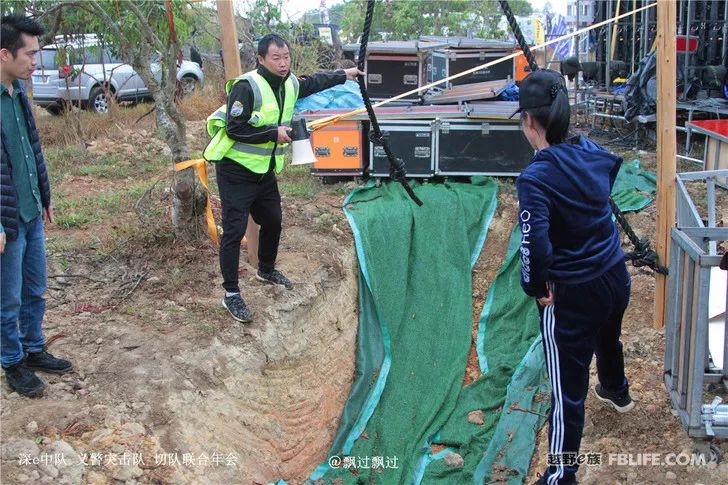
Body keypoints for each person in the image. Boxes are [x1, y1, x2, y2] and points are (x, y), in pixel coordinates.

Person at [514, 70, 633, 485]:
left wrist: (535, 287)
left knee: (566, 393)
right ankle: (617, 389)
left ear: (530, 121)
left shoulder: (536, 177)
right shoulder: (592, 151)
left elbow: (535, 247)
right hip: (615, 277)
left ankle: (560, 474)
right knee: (608, 335)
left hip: (573, 295)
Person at [204, 33, 363, 323]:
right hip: (235, 169)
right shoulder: (246, 86)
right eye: (276, 58)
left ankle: (266, 269)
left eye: (286, 56)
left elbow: (314, 82)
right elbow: (234, 129)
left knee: (274, 220)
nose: (282, 63)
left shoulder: (289, 83)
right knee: (234, 229)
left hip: (264, 170)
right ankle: (231, 294)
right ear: (261, 59)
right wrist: (271, 133)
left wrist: (344, 74)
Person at [1, 14, 73, 398]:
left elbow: (32, 152)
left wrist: (44, 196)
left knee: (35, 287)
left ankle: (32, 348)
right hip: (6, 220)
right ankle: (12, 362)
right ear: (4, 53)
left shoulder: (18, 95)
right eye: (29, 54)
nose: (35, 62)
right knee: (7, 296)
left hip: (29, 211)